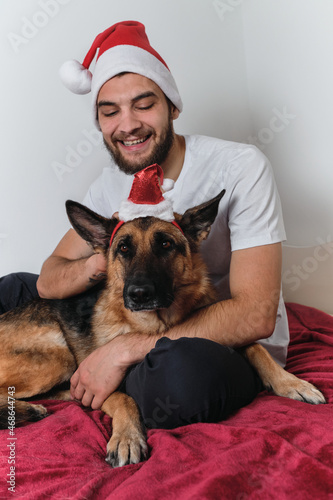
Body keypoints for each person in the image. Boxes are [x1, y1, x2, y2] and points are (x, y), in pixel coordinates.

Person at [0, 21, 288, 429]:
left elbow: (257, 315)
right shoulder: (109, 186)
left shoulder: (241, 167)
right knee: (14, 287)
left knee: (182, 381)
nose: (128, 124)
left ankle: (112, 377)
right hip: (129, 313)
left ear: (172, 106)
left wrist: (120, 351)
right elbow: (49, 281)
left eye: (144, 104)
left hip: (214, 337)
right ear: (99, 122)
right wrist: (107, 261)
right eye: (110, 111)